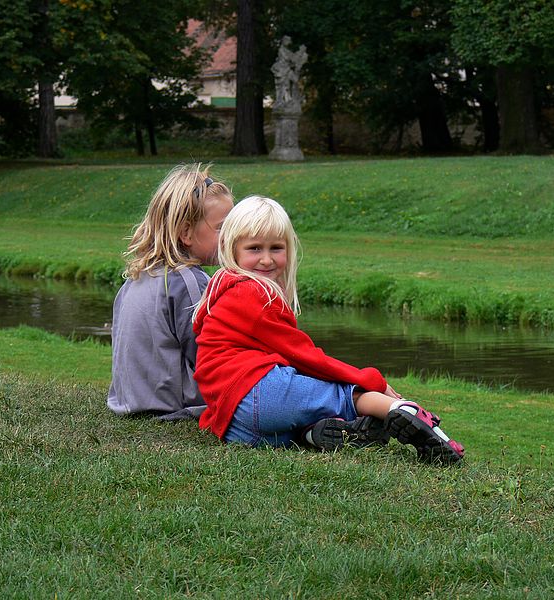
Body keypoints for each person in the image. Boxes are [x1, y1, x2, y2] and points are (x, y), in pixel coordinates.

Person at [192, 195, 464, 463]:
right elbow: (303, 356)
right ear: (231, 247)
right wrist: (370, 382)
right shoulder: (253, 292)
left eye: (276, 248)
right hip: (257, 392)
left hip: (233, 416)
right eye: (254, 249)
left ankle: (316, 433)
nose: (266, 259)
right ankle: (403, 409)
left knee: (285, 433)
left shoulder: (221, 287)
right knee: (341, 395)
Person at [107, 163, 234, 421]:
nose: (233, 235)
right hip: (171, 407)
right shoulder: (189, 282)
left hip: (129, 403)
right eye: (223, 228)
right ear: (186, 232)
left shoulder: (136, 279)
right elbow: (209, 360)